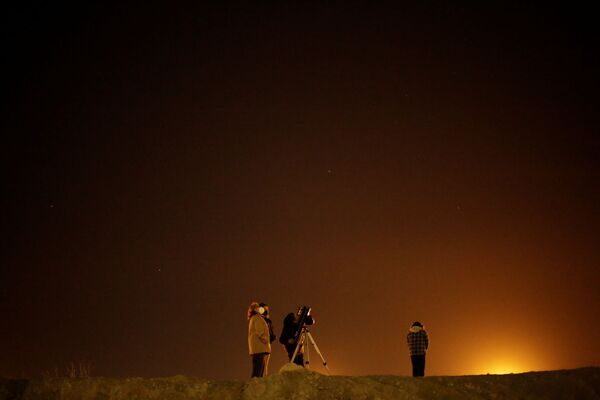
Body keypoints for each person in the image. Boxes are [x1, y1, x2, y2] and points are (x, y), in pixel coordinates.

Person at [247, 302, 271, 377]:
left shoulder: (253, 318)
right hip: (259, 347)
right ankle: (253, 387)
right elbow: (260, 330)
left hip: (257, 348)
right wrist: (264, 339)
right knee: (258, 371)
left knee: (258, 370)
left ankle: (255, 386)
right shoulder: (257, 318)